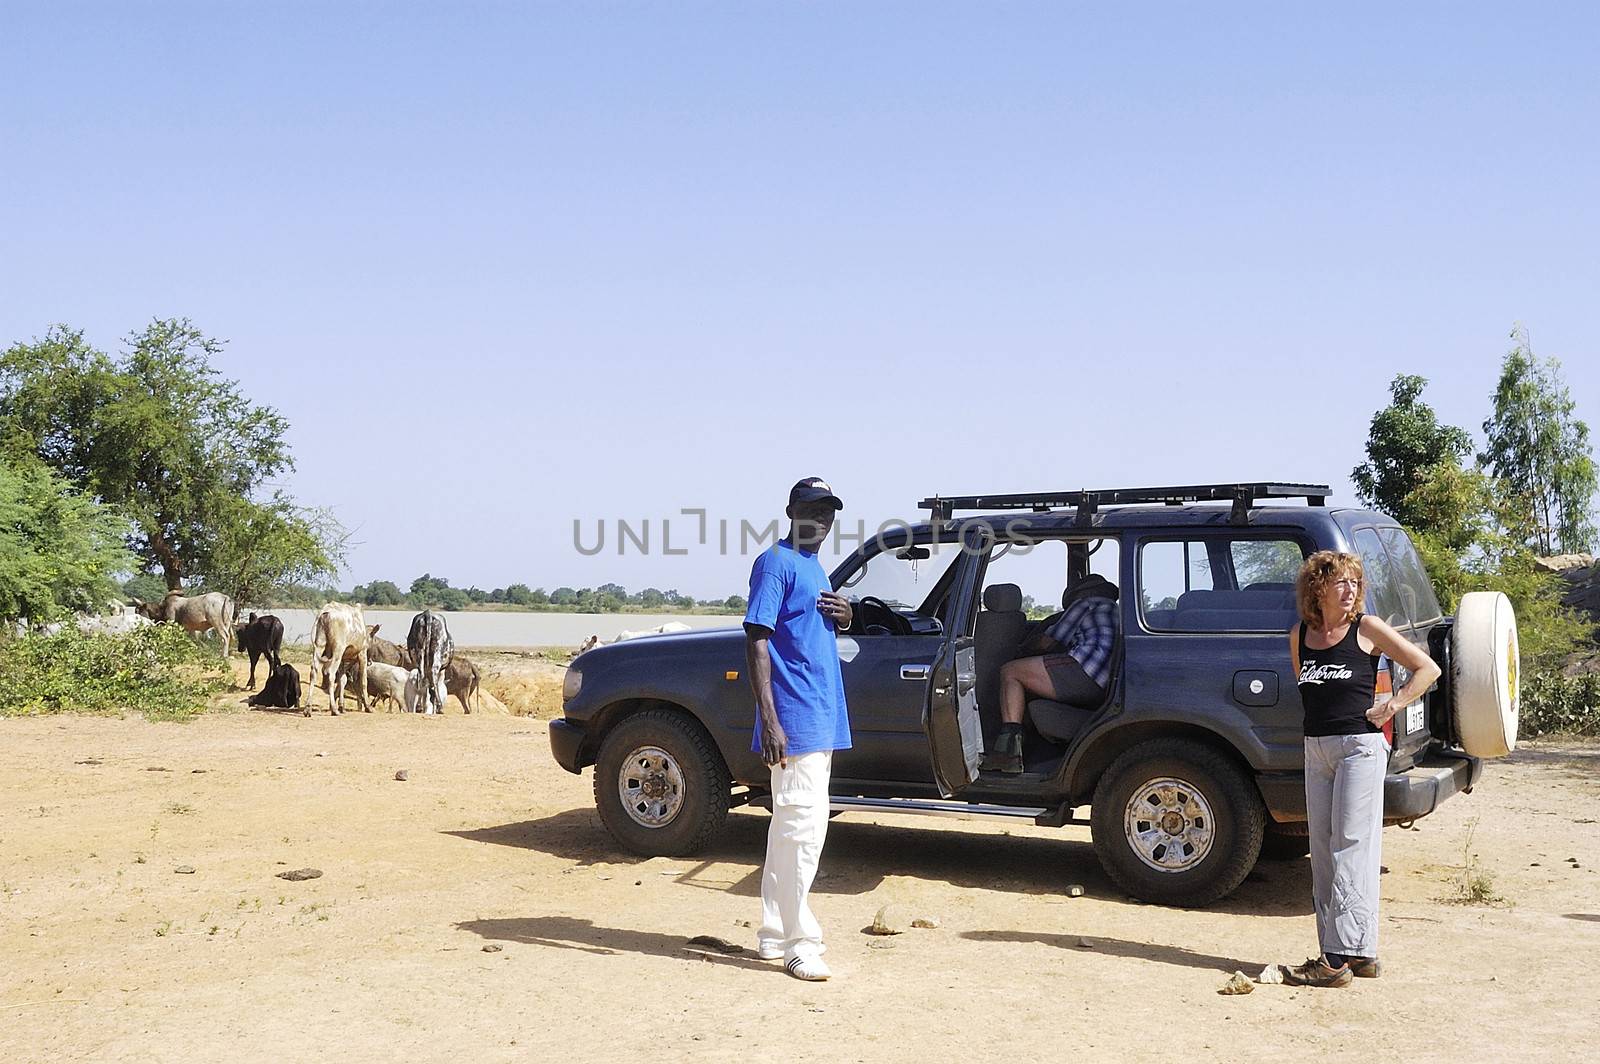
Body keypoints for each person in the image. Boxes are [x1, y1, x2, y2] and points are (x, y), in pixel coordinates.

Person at [1284, 550, 1440, 987]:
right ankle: (1360, 952)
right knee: (1324, 848)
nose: (1350, 589)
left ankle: (1335, 959)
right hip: (1316, 748)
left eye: (1354, 582)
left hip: (1360, 747)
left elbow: (1427, 668)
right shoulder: (1300, 634)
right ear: (1318, 588)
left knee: (1351, 846)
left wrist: (1394, 704)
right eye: (1340, 582)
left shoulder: (1367, 628)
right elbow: (1307, 690)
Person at [744, 477, 854, 981]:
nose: (823, 519)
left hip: (820, 714)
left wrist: (846, 616)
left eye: (829, 511)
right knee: (804, 830)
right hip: (794, 719)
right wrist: (771, 719)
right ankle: (800, 943)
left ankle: (771, 932)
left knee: (789, 829)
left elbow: (806, 630)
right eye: (813, 509)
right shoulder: (775, 563)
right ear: (791, 511)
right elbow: (758, 641)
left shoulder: (812, 566)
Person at [980, 573, 1120, 774]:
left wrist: (1023, 648)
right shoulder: (1114, 609)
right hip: (1104, 681)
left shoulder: (1086, 604)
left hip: (1084, 669)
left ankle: (1008, 754)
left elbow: (1049, 642)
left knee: (1010, 672)